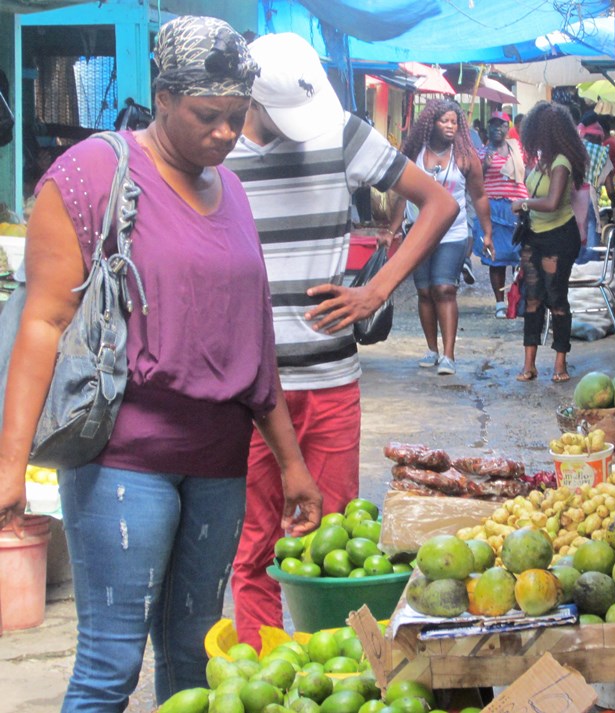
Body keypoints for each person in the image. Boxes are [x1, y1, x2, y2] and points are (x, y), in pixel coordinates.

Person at [0, 16, 323, 711]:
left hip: (219, 462)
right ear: (166, 97)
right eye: (208, 117)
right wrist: (8, 463)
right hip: (125, 459)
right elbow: (44, 323)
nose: (225, 135)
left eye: (237, 118)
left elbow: (253, 341)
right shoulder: (92, 175)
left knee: (195, 658)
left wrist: (291, 460)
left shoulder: (230, 190)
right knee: (112, 661)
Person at [224, 33, 457, 649]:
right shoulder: (216, 146)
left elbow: (438, 203)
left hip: (328, 380)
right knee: (255, 549)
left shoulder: (341, 130)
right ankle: (263, 673)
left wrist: (376, 291)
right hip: (248, 389)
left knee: (337, 547)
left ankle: (338, 674)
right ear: (252, 98)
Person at [388, 99, 491, 376]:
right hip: (417, 230)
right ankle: (431, 349)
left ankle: (448, 355)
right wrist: (392, 228)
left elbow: (479, 196)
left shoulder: (465, 156)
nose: (449, 126)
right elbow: (401, 194)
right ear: (430, 123)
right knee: (424, 291)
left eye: (454, 122)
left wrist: (487, 233)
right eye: (444, 121)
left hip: (453, 231)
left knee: (444, 288)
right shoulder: (414, 153)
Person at [510, 101, 587, 383]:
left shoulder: (561, 162)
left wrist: (524, 203)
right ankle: (528, 365)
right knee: (532, 298)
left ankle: (560, 364)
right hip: (534, 237)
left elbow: (553, 202)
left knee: (556, 298)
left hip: (558, 237)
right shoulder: (541, 160)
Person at [471, 110, 528, 318]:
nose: (498, 128)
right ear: (489, 128)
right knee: (497, 257)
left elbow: (529, 170)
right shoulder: (481, 153)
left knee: (519, 255)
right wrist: (484, 167)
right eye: (494, 125)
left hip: (517, 207)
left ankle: (517, 297)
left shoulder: (518, 149)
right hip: (493, 208)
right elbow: (474, 180)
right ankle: (499, 303)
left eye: (502, 125)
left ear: (507, 128)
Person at [577, 111, 615, 263]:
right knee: (590, 246)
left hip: (571, 199)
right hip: (588, 200)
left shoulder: (573, 149)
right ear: (598, 137)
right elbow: (610, 186)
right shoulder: (601, 154)